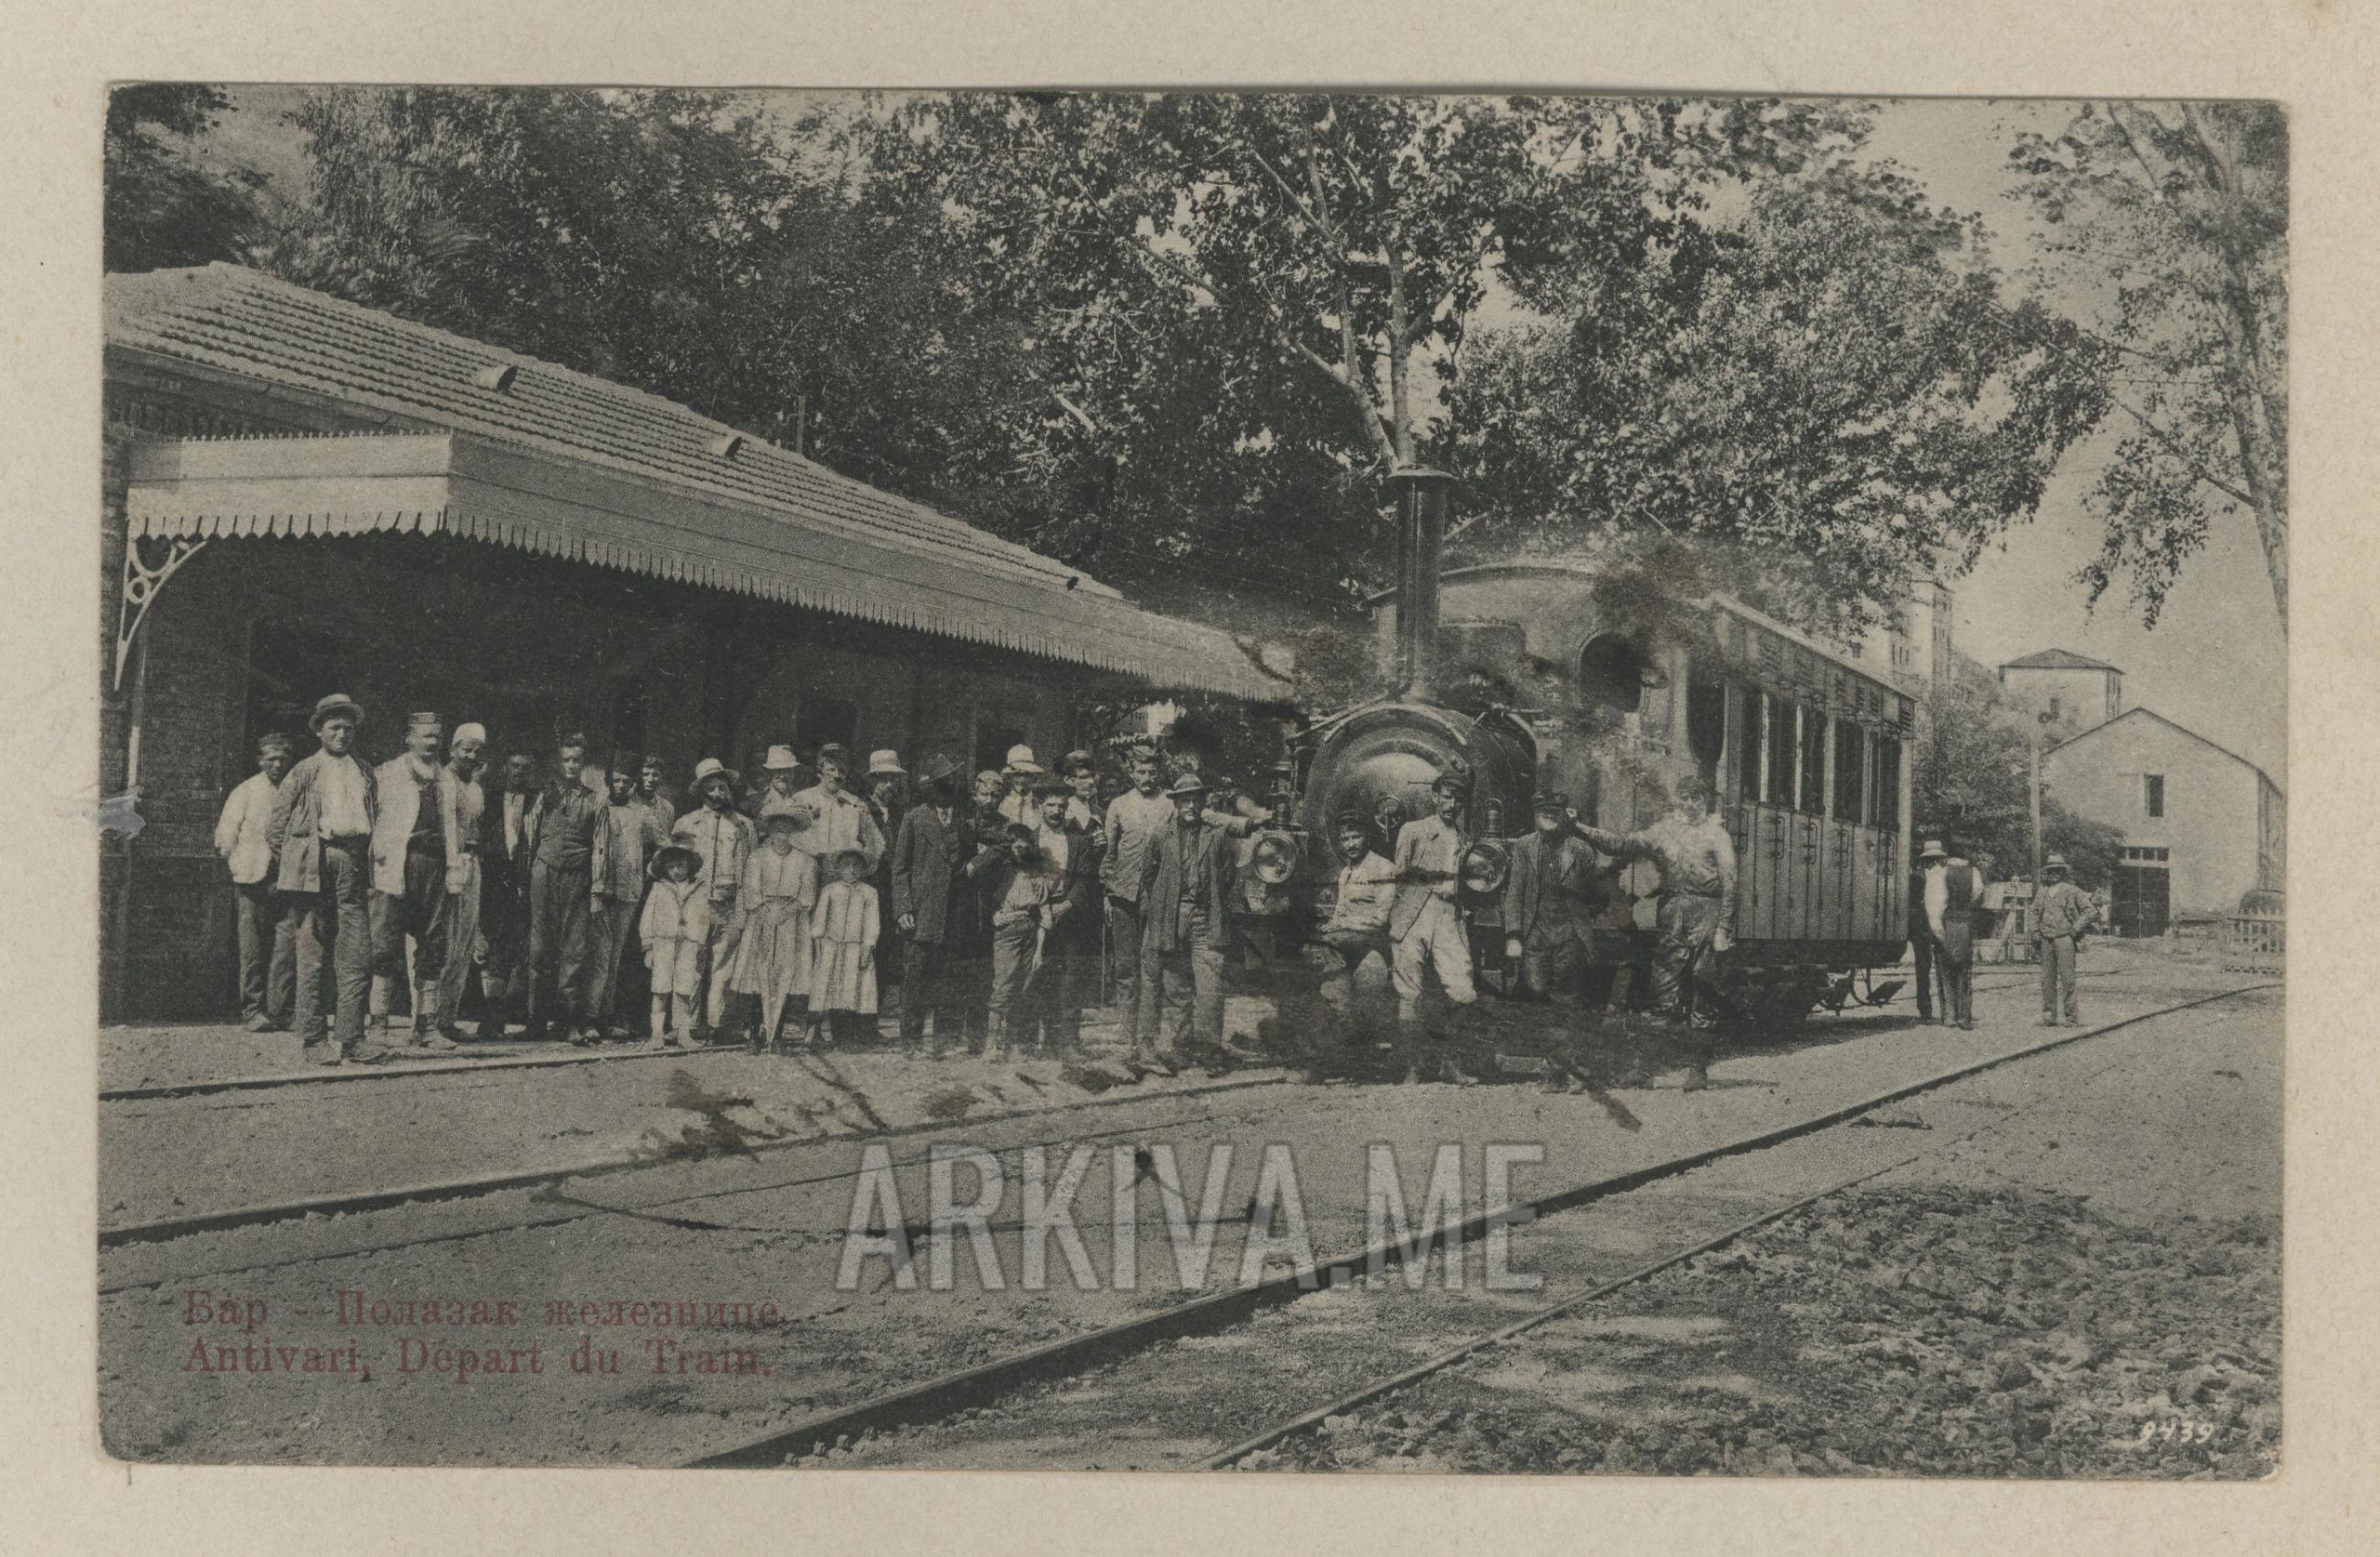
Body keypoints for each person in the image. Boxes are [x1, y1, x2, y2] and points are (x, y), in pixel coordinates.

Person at [1571, 775, 1738, 1089]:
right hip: (1672, 911)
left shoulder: (1717, 836)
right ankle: (1644, 1068)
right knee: (1662, 990)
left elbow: (1730, 884)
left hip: (1707, 912)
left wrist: (1723, 929)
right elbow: (1621, 844)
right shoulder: (1665, 832)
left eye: (1696, 798)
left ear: (1706, 802)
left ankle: (1697, 1070)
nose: (1690, 804)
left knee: (1702, 989)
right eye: (1685, 798)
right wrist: (1579, 827)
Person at [268, 693, 378, 1063]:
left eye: (348, 728)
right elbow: (276, 827)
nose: (342, 734)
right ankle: (314, 1040)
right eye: (334, 728)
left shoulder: (364, 771)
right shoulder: (304, 771)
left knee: (357, 952)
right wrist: (297, 863)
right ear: (320, 731)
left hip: (353, 862)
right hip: (314, 864)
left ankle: (352, 1038)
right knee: (311, 955)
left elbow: (374, 817)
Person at [365, 711, 462, 1051]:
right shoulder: (387, 774)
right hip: (396, 866)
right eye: (426, 736)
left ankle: (426, 1027)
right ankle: (378, 1025)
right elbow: (372, 820)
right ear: (409, 739)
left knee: (433, 946)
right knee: (385, 946)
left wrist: (453, 869)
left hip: (435, 868)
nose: (432, 742)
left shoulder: (447, 780)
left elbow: (453, 829)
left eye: (437, 736)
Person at [1139, 773, 1239, 1067]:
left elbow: (1228, 877)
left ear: (1203, 801)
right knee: (1175, 987)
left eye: (1196, 799)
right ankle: (1181, 1049)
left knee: (1210, 988)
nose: (1191, 805)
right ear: (1176, 802)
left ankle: (1209, 1052)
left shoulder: (1218, 836)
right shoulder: (1159, 835)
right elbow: (1149, 876)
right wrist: (1168, 902)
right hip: (1169, 917)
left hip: (1205, 918)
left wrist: (1203, 903)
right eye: (1185, 799)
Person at [1388, 768, 1479, 1049]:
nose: (1452, 805)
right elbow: (1400, 875)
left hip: (1448, 914)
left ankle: (1449, 1062)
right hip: (1415, 912)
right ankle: (1411, 1066)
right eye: (1447, 797)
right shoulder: (1414, 831)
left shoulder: (1465, 840)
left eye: (1458, 800)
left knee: (1463, 992)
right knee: (1409, 993)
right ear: (1434, 797)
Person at [891, 756, 973, 1059]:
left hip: (954, 914)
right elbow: (899, 869)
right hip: (922, 913)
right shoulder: (915, 818)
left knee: (948, 980)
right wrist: (903, 909)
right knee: (916, 980)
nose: (946, 790)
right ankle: (910, 1042)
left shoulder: (964, 820)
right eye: (940, 785)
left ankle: (944, 1042)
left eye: (951, 783)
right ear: (931, 789)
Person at [214, 732, 297, 1033]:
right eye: (270, 759)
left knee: (286, 949)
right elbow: (225, 835)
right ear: (260, 761)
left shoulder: (296, 790)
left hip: (287, 879)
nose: (277, 764)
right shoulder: (245, 791)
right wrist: (239, 866)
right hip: (253, 880)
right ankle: (252, 1011)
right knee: (252, 948)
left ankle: (280, 1011)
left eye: (282, 759)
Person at [526, 731, 603, 1046]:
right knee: (540, 947)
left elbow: (600, 845)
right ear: (557, 763)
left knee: (574, 949)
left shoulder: (594, 799)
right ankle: (535, 1021)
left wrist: (597, 887)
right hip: (544, 871)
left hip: (579, 874)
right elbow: (529, 838)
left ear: (583, 763)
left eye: (577, 760)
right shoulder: (543, 796)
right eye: (566, 760)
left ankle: (569, 1021)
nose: (571, 765)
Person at [673, 757, 757, 1040]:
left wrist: (747, 905)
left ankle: (719, 1024)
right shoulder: (687, 824)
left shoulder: (744, 826)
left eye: (723, 787)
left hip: (731, 904)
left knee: (725, 965)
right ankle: (688, 1024)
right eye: (712, 788)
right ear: (702, 792)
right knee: (692, 963)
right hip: (696, 904)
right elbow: (676, 869)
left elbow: (750, 868)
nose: (719, 794)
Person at [588, 757, 670, 1038]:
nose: (620, 785)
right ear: (609, 781)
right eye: (616, 780)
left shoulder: (642, 813)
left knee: (615, 958)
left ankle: (607, 1016)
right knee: (599, 957)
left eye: (626, 781)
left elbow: (663, 844)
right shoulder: (599, 807)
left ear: (632, 783)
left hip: (629, 892)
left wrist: (651, 867)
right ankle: (590, 1016)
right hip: (601, 891)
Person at [1501, 791, 1606, 1008]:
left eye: (1554, 812)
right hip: (1536, 930)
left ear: (1564, 816)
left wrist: (1582, 918)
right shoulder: (1524, 846)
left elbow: (1600, 893)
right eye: (1543, 812)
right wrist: (1513, 935)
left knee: (1567, 995)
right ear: (1535, 815)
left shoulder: (1581, 849)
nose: (1549, 817)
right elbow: (1515, 893)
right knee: (1533, 989)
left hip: (1569, 932)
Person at [731, 802, 820, 1050]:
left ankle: (777, 1034)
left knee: (785, 976)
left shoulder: (806, 862)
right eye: (776, 828)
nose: (781, 834)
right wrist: (766, 911)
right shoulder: (756, 858)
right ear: (769, 830)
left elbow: (807, 896)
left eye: (786, 829)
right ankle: (754, 1034)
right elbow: (751, 891)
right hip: (761, 919)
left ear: (793, 832)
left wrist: (786, 912)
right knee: (759, 976)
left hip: (791, 922)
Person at [1100, 744, 1173, 1043]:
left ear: (1159, 774)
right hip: (1122, 896)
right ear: (1131, 773)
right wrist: (1107, 893)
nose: (1146, 777)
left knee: (1152, 968)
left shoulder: (1171, 805)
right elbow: (1108, 854)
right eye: (1141, 772)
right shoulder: (1118, 805)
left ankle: (1148, 1035)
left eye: (1152, 772)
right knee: (1126, 967)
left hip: (1157, 897)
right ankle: (1126, 1031)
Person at [1028, 779, 1101, 1056]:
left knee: (1071, 981)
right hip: (1036, 918)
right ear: (1040, 807)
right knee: (1038, 978)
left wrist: (1068, 904)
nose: (1056, 811)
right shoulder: (1030, 840)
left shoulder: (1079, 842)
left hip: (1069, 917)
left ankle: (1069, 1041)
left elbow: (1086, 878)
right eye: (1051, 805)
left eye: (1061, 805)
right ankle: (1038, 1042)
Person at [475, 751, 541, 1040]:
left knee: (510, 946)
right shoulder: (489, 798)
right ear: (505, 768)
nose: (519, 772)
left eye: (525, 767)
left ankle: (497, 1015)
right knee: (484, 943)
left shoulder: (536, 802)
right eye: (514, 765)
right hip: (490, 878)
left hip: (520, 880)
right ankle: (486, 1013)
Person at [430, 722, 489, 1044]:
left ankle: (447, 1018)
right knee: (445, 939)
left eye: (477, 751)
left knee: (465, 941)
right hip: (447, 866)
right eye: (466, 749)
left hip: (472, 863)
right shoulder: (441, 781)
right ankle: (427, 1019)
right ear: (453, 749)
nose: (471, 755)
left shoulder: (476, 787)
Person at [983, 822, 1053, 1060]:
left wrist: (1039, 951)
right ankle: (991, 1045)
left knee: (1024, 986)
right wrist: (996, 916)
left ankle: (1013, 1044)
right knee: (1004, 985)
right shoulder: (1000, 874)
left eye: (1025, 847)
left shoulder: (1037, 874)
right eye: (1016, 847)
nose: (1020, 851)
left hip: (1031, 933)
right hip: (1007, 933)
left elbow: (1044, 912)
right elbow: (989, 907)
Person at [639, 842, 708, 1049]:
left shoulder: (699, 888)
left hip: (688, 944)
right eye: (671, 867)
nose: (677, 871)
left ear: (689, 865)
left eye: (680, 865)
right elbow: (647, 918)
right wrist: (649, 947)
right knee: (660, 989)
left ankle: (684, 1034)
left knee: (684, 990)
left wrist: (698, 941)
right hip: (663, 943)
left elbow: (704, 917)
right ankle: (657, 1035)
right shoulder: (659, 888)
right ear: (665, 868)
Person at [810, 848, 881, 1048]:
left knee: (855, 991)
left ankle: (854, 1035)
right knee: (834, 991)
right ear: (839, 868)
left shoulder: (869, 893)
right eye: (847, 865)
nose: (851, 870)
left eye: (856, 866)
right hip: (832, 947)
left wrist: (868, 945)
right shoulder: (830, 890)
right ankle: (837, 1035)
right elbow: (820, 919)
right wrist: (819, 942)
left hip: (856, 947)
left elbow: (872, 922)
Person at [789, 744, 887, 877]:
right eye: (831, 769)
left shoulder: (856, 804)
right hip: (804, 874)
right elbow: (788, 836)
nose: (836, 775)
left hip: (841, 878)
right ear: (819, 772)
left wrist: (860, 868)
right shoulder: (801, 799)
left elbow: (876, 843)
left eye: (841, 771)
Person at [2033, 854, 2099, 1026]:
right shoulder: (2042, 891)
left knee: (2068, 979)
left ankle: (2071, 1018)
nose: (2054, 873)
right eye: (2051, 870)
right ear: (2047, 872)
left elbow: (2090, 911)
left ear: (2063, 872)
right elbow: (2033, 912)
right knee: (2047, 980)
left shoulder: (2072, 891)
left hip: (2064, 939)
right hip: (2046, 939)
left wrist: (2075, 929)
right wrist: (2034, 930)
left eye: (2057, 870)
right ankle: (2049, 1016)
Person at [1924, 839, 1981, 1031]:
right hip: (1965, 923)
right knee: (1964, 971)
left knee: (1945, 970)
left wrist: (1936, 928)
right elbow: (1976, 893)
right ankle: (1964, 1017)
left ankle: (1949, 1016)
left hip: (1947, 922)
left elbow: (1936, 902)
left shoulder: (1941, 873)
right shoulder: (1973, 872)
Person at [1907, 853, 1938, 1023]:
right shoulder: (1929, 878)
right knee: (1924, 965)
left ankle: (1925, 1009)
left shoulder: (1914, 876)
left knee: (1923, 967)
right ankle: (1926, 1010)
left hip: (1913, 919)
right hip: (1922, 922)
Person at [998, 745, 1045, 825]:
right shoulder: (1001, 804)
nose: (1022, 779)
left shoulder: (1041, 805)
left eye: (1027, 774)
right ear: (1009, 777)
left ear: (1033, 777)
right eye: (1017, 774)